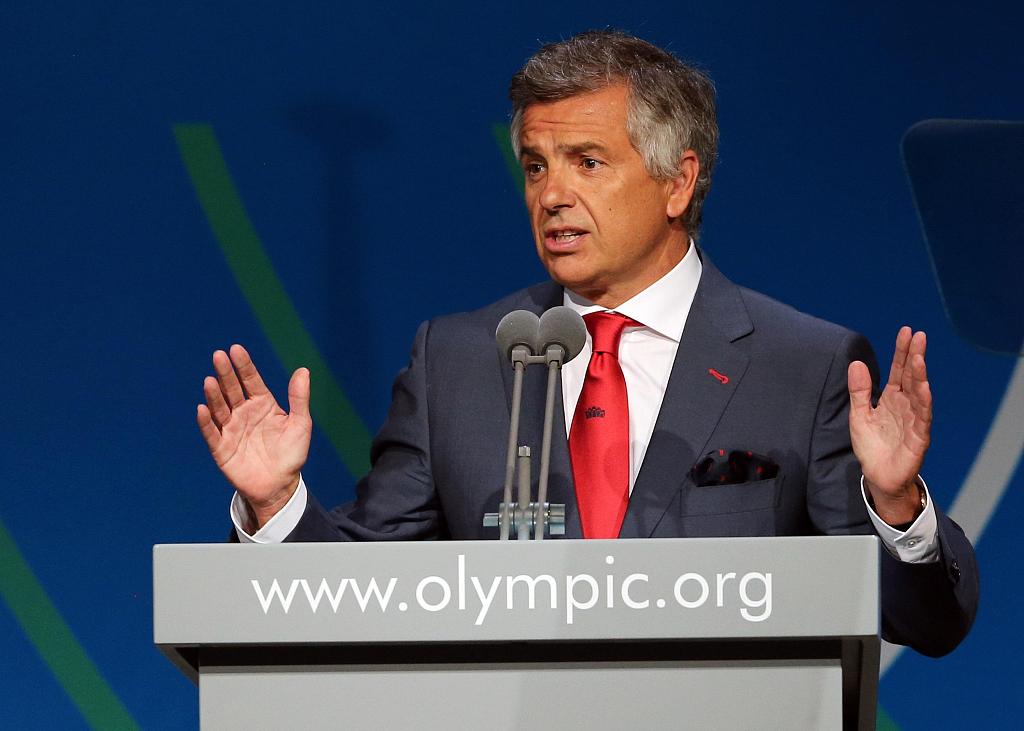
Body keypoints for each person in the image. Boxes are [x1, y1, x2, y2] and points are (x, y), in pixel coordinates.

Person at [196, 30, 977, 656]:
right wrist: (275, 504)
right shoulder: (457, 361)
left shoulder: (803, 365)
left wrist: (896, 507)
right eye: (536, 167)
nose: (551, 194)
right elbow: (353, 592)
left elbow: (924, 622)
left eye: (587, 162)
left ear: (678, 182)